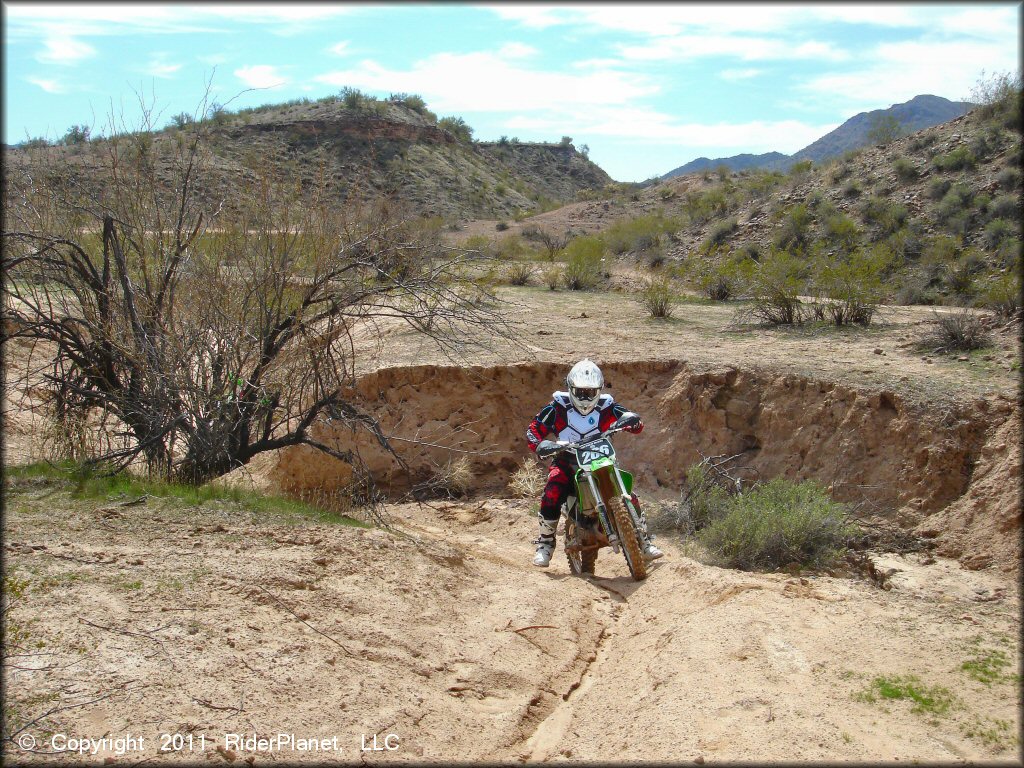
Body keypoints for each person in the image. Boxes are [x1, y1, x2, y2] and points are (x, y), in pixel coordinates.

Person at [525, 358, 664, 568]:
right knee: (553, 490)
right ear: (570, 388)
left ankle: (643, 541)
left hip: (600, 459)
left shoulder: (607, 406)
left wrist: (632, 421)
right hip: (567, 461)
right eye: (580, 391)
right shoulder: (557, 407)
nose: (584, 397)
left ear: (598, 390)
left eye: (590, 392)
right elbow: (533, 430)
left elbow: (632, 421)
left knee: (628, 493)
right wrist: (541, 445)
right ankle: (545, 544)